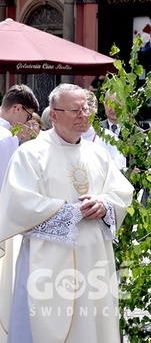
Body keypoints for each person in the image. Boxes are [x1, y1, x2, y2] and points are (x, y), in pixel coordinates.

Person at [0, 84, 134, 343]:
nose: (83, 115)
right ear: (56, 115)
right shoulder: (30, 154)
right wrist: (71, 212)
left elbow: (121, 192)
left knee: (92, 325)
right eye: (75, 110)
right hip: (48, 264)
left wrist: (105, 204)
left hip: (93, 259)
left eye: (86, 109)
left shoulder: (98, 153)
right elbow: (18, 205)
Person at [0, 85, 39, 339]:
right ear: (17, 108)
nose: (26, 122)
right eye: (27, 116)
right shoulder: (5, 139)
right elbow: (7, 188)